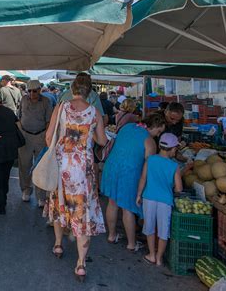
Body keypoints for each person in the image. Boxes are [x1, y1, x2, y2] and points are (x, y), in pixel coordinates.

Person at [44, 75, 108, 282]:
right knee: (83, 211)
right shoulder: (95, 112)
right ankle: (81, 264)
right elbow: (103, 140)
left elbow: (48, 137)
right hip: (84, 169)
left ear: (72, 89)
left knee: (59, 204)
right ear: (90, 91)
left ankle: (58, 244)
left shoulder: (61, 107)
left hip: (63, 166)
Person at [101, 113, 166, 252]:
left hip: (112, 167)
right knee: (128, 208)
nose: (158, 134)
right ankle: (131, 244)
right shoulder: (149, 141)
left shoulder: (127, 127)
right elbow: (149, 166)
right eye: (159, 131)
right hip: (129, 173)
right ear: (154, 126)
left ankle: (112, 236)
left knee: (112, 203)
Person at [136, 133, 183, 266]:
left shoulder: (150, 160)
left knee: (149, 227)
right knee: (163, 231)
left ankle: (151, 254)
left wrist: (139, 194)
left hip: (149, 198)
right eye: (176, 149)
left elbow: (143, 179)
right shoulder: (174, 166)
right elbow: (179, 188)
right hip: (165, 201)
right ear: (173, 149)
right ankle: (159, 258)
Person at [18, 80, 53, 207]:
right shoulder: (24, 100)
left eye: (35, 91)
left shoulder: (46, 102)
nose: (32, 93)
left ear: (40, 89)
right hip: (25, 136)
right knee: (24, 165)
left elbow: (49, 121)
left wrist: (47, 138)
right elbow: (19, 116)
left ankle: (41, 196)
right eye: (30, 91)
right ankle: (26, 190)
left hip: (40, 136)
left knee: (41, 167)